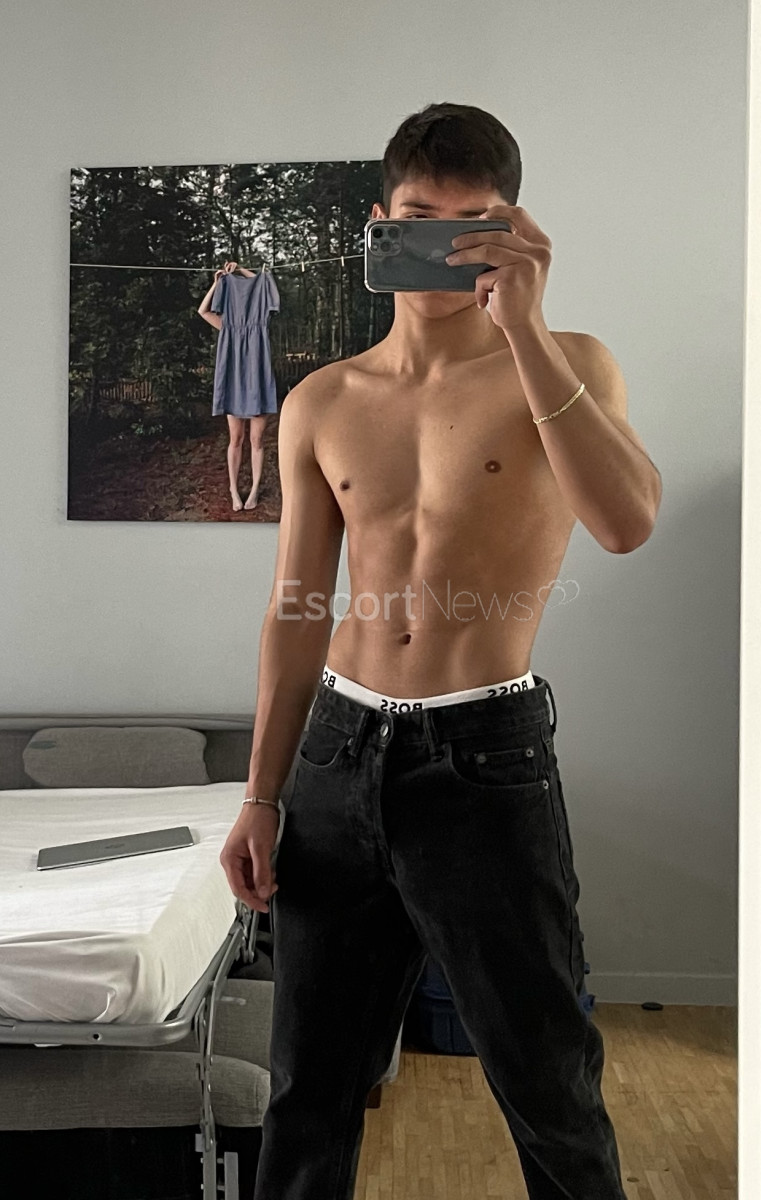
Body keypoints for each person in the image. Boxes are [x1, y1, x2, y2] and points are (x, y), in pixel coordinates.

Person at [220, 101, 662, 1200]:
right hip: (337, 753)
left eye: (473, 226)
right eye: (420, 219)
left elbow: (626, 523)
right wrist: (262, 794)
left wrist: (526, 327)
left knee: (547, 1081)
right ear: (380, 221)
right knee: (308, 1089)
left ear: (512, 232)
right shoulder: (324, 399)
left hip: (483, 756)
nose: (444, 248)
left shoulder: (566, 366)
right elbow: (295, 609)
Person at [198, 260, 277, 512]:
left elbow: (264, 282)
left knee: (257, 440)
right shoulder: (226, 325)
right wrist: (216, 284)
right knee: (236, 438)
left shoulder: (261, 319)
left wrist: (242, 269)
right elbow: (202, 311)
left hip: (258, 380)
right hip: (234, 382)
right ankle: (233, 489)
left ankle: (254, 490)